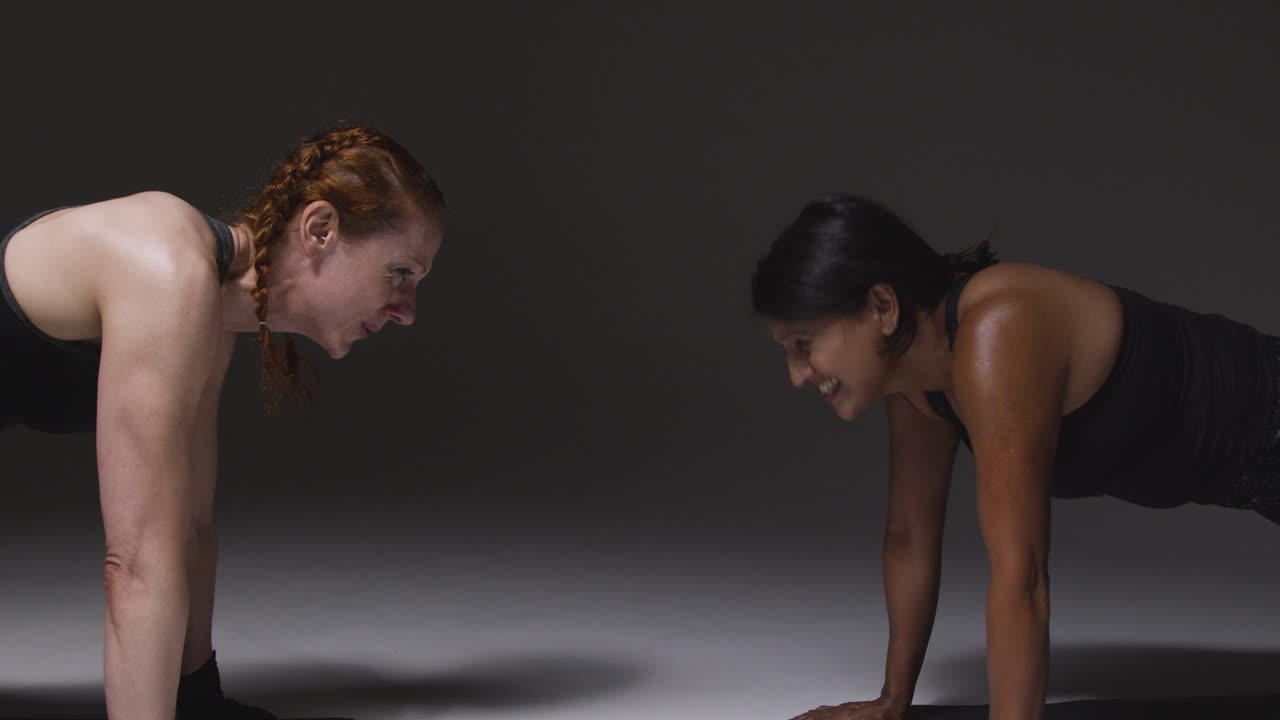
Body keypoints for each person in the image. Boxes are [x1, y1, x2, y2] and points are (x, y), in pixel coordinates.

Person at [750, 194, 1279, 720]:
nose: (798, 375)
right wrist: (892, 702)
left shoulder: (999, 330)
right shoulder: (917, 381)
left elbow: (1020, 576)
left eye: (803, 344)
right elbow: (911, 536)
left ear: (883, 307)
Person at [0, 123, 445, 720]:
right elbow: (133, 565)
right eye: (400, 272)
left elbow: (191, 530)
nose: (407, 311)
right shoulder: (167, 270)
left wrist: (196, 702)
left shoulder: (207, 312)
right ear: (320, 229)